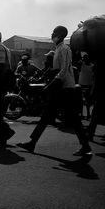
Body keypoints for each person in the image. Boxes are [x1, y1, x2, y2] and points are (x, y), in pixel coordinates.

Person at [17, 25, 91, 156]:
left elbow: (64, 68)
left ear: (61, 35)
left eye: (54, 32)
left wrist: (53, 83)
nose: (52, 34)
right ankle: (32, 143)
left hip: (65, 87)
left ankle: (85, 146)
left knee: (71, 117)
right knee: (47, 115)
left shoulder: (64, 49)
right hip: (60, 87)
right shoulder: (57, 49)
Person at [78, 53, 94, 120]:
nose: (84, 59)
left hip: (89, 84)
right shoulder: (81, 64)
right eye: (84, 58)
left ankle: (88, 114)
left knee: (88, 101)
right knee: (81, 101)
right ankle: (82, 114)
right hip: (81, 84)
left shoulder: (92, 66)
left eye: (86, 58)